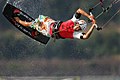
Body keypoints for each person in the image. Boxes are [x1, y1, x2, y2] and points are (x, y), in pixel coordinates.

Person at [14, 8, 98, 40]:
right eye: (78, 26)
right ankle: (37, 30)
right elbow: (79, 10)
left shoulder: (75, 34)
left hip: (47, 30)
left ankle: (18, 21)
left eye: (79, 29)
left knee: (31, 23)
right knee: (41, 18)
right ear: (77, 23)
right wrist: (89, 17)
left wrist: (93, 26)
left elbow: (86, 36)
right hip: (50, 22)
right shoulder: (73, 20)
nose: (77, 28)